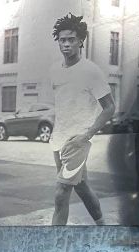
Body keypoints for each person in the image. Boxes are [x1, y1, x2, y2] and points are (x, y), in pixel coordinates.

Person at [49, 13, 114, 226]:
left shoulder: (91, 72)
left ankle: (53, 242)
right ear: (58, 41)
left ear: (80, 41)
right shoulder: (55, 71)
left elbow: (109, 108)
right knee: (82, 186)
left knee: (61, 192)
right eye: (62, 40)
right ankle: (103, 226)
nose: (66, 44)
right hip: (59, 141)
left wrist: (86, 135)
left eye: (71, 39)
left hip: (78, 141)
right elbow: (62, 105)